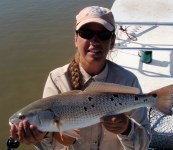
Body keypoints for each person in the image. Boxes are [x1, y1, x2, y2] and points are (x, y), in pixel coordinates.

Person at [10, 6, 151, 150]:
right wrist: (41, 138)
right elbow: (52, 148)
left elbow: (144, 145)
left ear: (112, 41)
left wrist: (127, 128)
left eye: (103, 34)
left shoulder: (128, 80)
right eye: (86, 33)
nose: (94, 40)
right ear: (76, 39)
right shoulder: (57, 80)